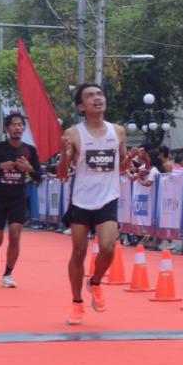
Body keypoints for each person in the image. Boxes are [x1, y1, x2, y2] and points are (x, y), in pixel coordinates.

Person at [57, 83, 133, 325]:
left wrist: (129, 160)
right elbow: (61, 173)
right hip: (81, 200)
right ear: (81, 106)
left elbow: (120, 167)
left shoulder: (118, 131)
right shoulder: (72, 134)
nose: (97, 98)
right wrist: (64, 156)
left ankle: (96, 282)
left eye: (99, 94)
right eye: (90, 96)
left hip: (108, 198)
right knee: (78, 252)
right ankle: (77, 303)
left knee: (109, 247)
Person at [0, 112, 41, 289]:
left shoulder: (30, 150)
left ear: (24, 128)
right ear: (7, 129)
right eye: (14, 125)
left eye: (20, 125)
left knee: (15, 235)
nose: (17, 127)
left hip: (18, 198)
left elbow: (39, 177)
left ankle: (8, 274)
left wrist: (30, 169)